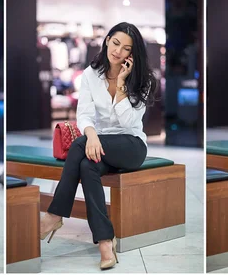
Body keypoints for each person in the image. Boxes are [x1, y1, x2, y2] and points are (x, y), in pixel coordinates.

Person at [39, 22, 157, 270]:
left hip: (131, 146)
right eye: (115, 43)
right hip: (97, 146)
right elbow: (84, 115)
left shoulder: (143, 80)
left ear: (132, 54)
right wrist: (92, 136)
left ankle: (54, 215)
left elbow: (129, 122)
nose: (118, 51)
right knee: (86, 165)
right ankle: (105, 240)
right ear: (107, 40)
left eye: (126, 49)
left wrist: (123, 84)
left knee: (82, 148)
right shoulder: (91, 75)